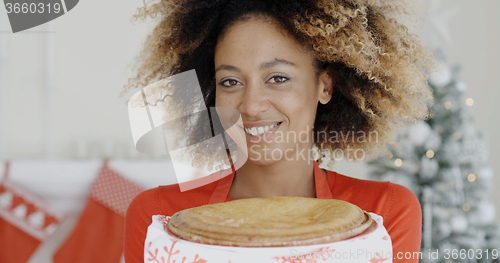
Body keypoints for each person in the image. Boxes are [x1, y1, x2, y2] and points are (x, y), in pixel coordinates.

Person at [123, 0, 436, 262]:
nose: (251, 106)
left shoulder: (386, 212)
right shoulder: (157, 215)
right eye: (230, 82)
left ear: (324, 85)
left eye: (277, 78)